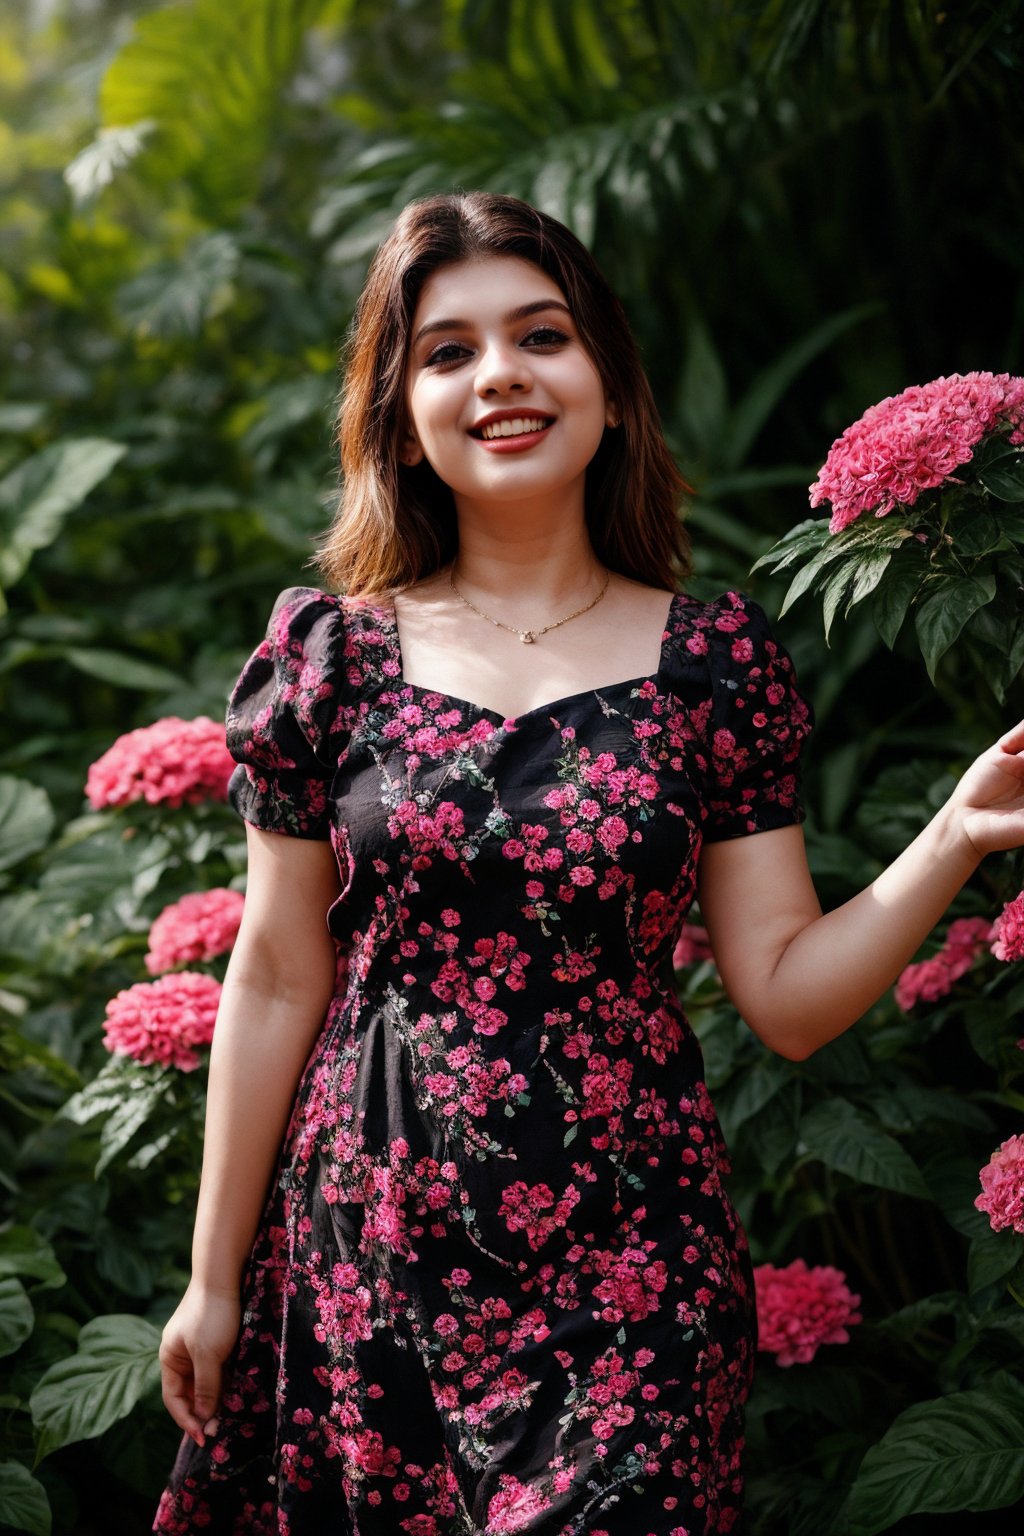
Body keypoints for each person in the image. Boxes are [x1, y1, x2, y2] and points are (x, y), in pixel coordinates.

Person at [153, 192, 1024, 1536]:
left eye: (540, 335)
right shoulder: (331, 660)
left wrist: (956, 834)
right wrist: (213, 1280)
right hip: (371, 1246)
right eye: (447, 352)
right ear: (400, 418)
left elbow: (785, 997)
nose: (498, 374)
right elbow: (274, 977)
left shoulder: (714, 663)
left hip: (632, 1261)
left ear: (610, 385)